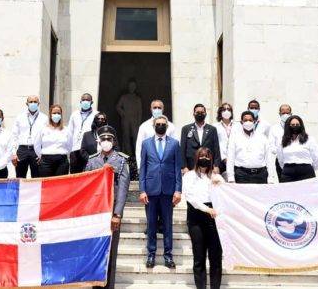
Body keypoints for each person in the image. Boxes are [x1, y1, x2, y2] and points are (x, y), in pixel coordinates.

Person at [85, 126, 130, 289]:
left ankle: (109, 285)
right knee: (95, 249)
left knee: (111, 250)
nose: (106, 142)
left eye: (109, 139)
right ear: (99, 141)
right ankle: (95, 284)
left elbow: (123, 189)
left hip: (111, 211)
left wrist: (117, 214)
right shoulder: (92, 160)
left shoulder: (122, 160)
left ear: (113, 141)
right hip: (95, 212)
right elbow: (85, 186)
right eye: (103, 139)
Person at [139, 115, 182, 269]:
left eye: (164, 124)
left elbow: (177, 169)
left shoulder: (175, 144)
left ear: (167, 126)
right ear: (153, 125)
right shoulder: (146, 144)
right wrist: (142, 190)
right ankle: (151, 255)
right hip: (150, 191)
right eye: (158, 124)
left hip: (168, 191)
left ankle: (168, 256)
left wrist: (178, 190)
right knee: (151, 225)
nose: (161, 126)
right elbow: (142, 168)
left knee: (167, 225)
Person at [182, 147, 224, 289]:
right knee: (199, 257)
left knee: (216, 258)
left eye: (207, 156)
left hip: (214, 219)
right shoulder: (189, 176)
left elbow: (226, 196)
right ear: (196, 158)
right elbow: (191, 198)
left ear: (211, 159)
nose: (204, 159)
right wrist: (207, 209)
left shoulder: (217, 177)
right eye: (201, 156)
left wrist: (220, 185)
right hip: (196, 218)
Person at [226, 110, 272, 184]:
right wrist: (231, 177)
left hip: (260, 175)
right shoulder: (234, 138)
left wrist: (271, 177)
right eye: (245, 120)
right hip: (241, 175)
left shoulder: (262, 137)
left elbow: (269, 158)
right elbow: (230, 158)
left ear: (254, 121)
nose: (248, 122)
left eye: (250, 120)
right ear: (241, 122)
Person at [10, 95, 48, 178]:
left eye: (35, 102)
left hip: (36, 150)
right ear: (26, 103)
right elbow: (14, 136)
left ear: (38, 103)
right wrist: (13, 153)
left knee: (37, 177)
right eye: (31, 102)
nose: (33, 103)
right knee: (20, 177)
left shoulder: (44, 118)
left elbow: (46, 138)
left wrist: (43, 154)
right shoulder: (20, 117)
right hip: (22, 150)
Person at [277, 115, 318, 182]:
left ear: (301, 125)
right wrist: (287, 168)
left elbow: (317, 157)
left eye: (297, 124)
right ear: (288, 126)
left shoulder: (309, 139)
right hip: (288, 173)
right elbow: (280, 159)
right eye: (292, 124)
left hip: (306, 172)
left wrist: (310, 168)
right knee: (288, 192)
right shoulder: (282, 141)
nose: (295, 126)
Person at [135, 100, 176, 169]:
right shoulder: (144, 126)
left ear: (163, 109)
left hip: (167, 165)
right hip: (150, 165)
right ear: (151, 109)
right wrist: (140, 167)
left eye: (159, 108)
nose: (157, 109)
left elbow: (175, 147)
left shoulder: (171, 126)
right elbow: (139, 148)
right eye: (155, 107)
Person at [180, 104, 221, 173]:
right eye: (197, 112)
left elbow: (216, 148)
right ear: (193, 114)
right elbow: (182, 149)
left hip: (208, 166)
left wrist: (216, 165)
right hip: (191, 166)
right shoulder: (186, 129)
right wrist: (184, 166)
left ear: (205, 114)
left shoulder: (212, 129)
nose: (200, 114)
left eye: (202, 112)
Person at [35, 104, 72, 177]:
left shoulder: (66, 130)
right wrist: (41, 156)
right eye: (54, 113)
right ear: (50, 115)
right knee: (46, 185)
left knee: (60, 185)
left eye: (58, 113)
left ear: (61, 115)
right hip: (46, 161)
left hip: (62, 161)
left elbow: (70, 145)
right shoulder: (43, 129)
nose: (56, 115)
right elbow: (37, 145)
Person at [68, 93, 99, 173]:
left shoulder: (96, 114)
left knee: (89, 174)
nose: (85, 102)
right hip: (75, 149)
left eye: (87, 100)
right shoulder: (74, 114)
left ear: (91, 102)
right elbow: (70, 133)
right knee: (74, 176)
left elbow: (99, 132)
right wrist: (69, 150)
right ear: (80, 102)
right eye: (83, 100)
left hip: (89, 151)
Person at [116, 78, 142, 156]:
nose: (132, 87)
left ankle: (137, 154)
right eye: (130, 86)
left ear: (135, 87)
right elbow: (118, 106)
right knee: (126, 137)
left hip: (135, 121)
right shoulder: (124, 97)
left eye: (133, 86)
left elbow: (140, 111)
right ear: (128, 86)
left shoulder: (137, 99)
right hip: (126, 120)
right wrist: (122, 113)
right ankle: (128, 154)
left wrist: (139, 122)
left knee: (136, 138)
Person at [267, 104, 292, 182]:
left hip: (293, 159)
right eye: (283, 113)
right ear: (279, 114)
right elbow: (271, 145)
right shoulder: (274, 128)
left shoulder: (295, 126)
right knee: (283, 183)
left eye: (287, 113)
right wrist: (280, 151)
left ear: (291, 114)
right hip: (280, 160)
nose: (285, 115)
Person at [213, 102, 234, 175]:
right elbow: (216, 144)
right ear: (220, 112)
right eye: (224, 109)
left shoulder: (237, 126)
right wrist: (224, 158)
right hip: (220, 160)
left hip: (234, 160)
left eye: (228, 109)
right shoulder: (215, 127)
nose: (226, 111)